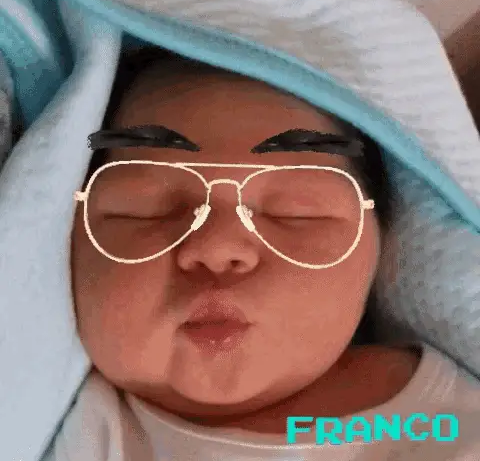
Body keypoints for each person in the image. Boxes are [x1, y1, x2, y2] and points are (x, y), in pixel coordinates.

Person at [45, 46, 480, 460]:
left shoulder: (439, 419)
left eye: (295, 213)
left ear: (381, 244)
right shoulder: (69, 430)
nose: (217, 248)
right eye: (144, 211)